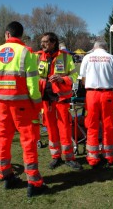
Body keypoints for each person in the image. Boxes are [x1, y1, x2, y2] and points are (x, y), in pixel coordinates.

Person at [0, 21, 47, 197]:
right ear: (21, 35)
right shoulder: (27, 52)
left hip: (2, 105)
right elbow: (33, 85)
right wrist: (37, 105)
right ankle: (34, 182)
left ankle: (6, 175)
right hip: (23, 106)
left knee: (2, 140)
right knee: (28, 142)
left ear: (6, 34)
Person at [38, 32, 83, 171]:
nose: (42, 44)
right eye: (42, 41)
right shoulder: (38, 57)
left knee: (64, 127)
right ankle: (56, 157)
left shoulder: (65, 57)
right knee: (50, 128)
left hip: (61, 98)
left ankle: (69, 157)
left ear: (53, 43)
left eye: (45, 41)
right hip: (46, 100)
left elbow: (75, 75)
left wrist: (62, 79)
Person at [79, 40, 113, 168]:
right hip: (108, 95)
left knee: (92, 125)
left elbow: (83, 80)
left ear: (94, 47)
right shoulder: (111, 58)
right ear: (105, 48)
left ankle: (93, 157)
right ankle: (109, 155)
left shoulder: (87, 57)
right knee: (109, 125)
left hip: (91, 95)